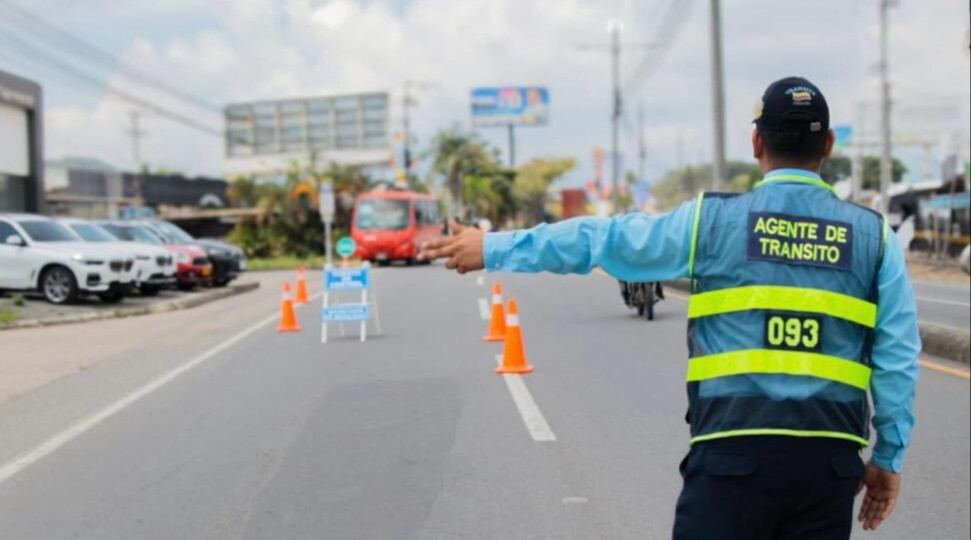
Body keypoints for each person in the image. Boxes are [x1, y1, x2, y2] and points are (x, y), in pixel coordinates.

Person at [418, 76, 920, 539]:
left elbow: (604, 239)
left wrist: (494, 247)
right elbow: (898, 357)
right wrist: (889, 456)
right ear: (828, 147)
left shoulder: (711, 221)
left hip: (731, 455)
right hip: (827, 467)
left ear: (756, 144)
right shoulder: (874, 236)